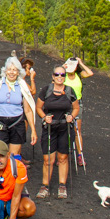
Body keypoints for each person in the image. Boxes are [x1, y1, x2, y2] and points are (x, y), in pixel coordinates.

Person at [0, 56, 38, 158]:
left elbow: (27, 110)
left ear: (18, 72)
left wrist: (33, 130)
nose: (11, 72)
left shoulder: (22, 85)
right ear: (5, 71)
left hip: (17, 122)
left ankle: (14, 169)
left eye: (14, 70)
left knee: (14, 156)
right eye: (9, 69)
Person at [35, 66, 79, 199]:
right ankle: (45, 186)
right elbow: (38, 107)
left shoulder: (69, 91)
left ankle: (62, 186)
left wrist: (72, 116)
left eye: (62, 75)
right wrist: (44, 117)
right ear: (53, 76)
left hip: (65, 127)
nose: (60, 77)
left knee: (63, 158)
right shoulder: (46, 90)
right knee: (48, 159)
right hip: (49, 127)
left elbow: (76, 108)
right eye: (57, 74)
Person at [62, 56, 94, 166]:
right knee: (63, 129)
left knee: (77, 130)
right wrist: (63, 67)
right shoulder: (63, 75)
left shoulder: (79, 75)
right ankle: (63, 154)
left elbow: (90, 73)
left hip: (77, 103)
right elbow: (54, 78)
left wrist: (80, 62)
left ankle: (80, 155)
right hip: (65, 104)